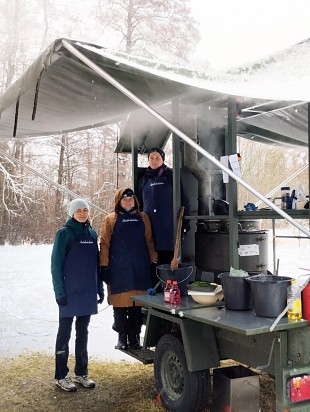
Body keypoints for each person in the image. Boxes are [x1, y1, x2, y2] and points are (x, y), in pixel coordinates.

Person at [51, 198, 104, 392]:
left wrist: (99, 289)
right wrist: (59, 292)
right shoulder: (64, 234)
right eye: (78, 210)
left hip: (87, 293)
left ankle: (81, 372)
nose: (82, 213)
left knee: (83, 333)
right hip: (69, 294)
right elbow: (55, 266)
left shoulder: (91, 234)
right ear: (71, 213)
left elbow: (96, 266)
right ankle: (61, 375)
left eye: (85, 210)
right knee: (64, 334)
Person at [99, 188, 158, 350]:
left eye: (131, 199)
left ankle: (134, 338)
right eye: (124, 200)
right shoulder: (110, 219)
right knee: (120, 306)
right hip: (118, 269)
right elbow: (104, 244)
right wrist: (104, 266)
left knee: (136, 308)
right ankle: (121, 337)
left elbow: (150, 242)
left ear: (135, 201)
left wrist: (153, 262)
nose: (128, 202)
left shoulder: (143, 218)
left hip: (140, 268)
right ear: (119, 202)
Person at [138, 147, 191, 275]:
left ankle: (168, 288)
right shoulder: (143, 179)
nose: (154, 161)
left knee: (167, 262)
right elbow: (139, 203)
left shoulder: (171, 176)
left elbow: (185, 201)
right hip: (150, 227)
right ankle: (154, 288)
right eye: (152, 158)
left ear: (163, 160)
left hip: (169, 229)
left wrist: (185, 224)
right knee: (151, 259)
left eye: (158, 158)